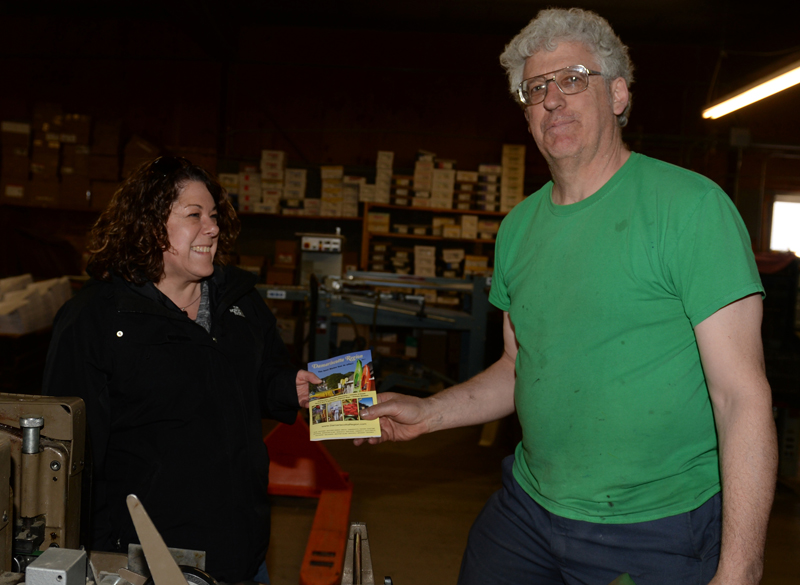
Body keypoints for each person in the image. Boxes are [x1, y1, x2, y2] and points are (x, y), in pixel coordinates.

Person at [358, 8, 777, 585]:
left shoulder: (691, 210)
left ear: (619, 95)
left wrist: (742, 570)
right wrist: (429, 413)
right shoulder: (517, 229)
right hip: (529, 511)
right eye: (535, 89)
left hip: (657, 528)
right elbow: (518, 365)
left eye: (573, 78)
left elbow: (742, 397)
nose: (552, 99)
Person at [43, 156, 320, 584]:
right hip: (150, 560)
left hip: (243, 550)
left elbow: (262, 376)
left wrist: (289, 386)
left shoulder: (239, 302)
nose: (212, 228)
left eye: (213, 216)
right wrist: (93, 561)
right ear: (150, 226)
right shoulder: (96, 321)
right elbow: (71, 458)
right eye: (194, 215)